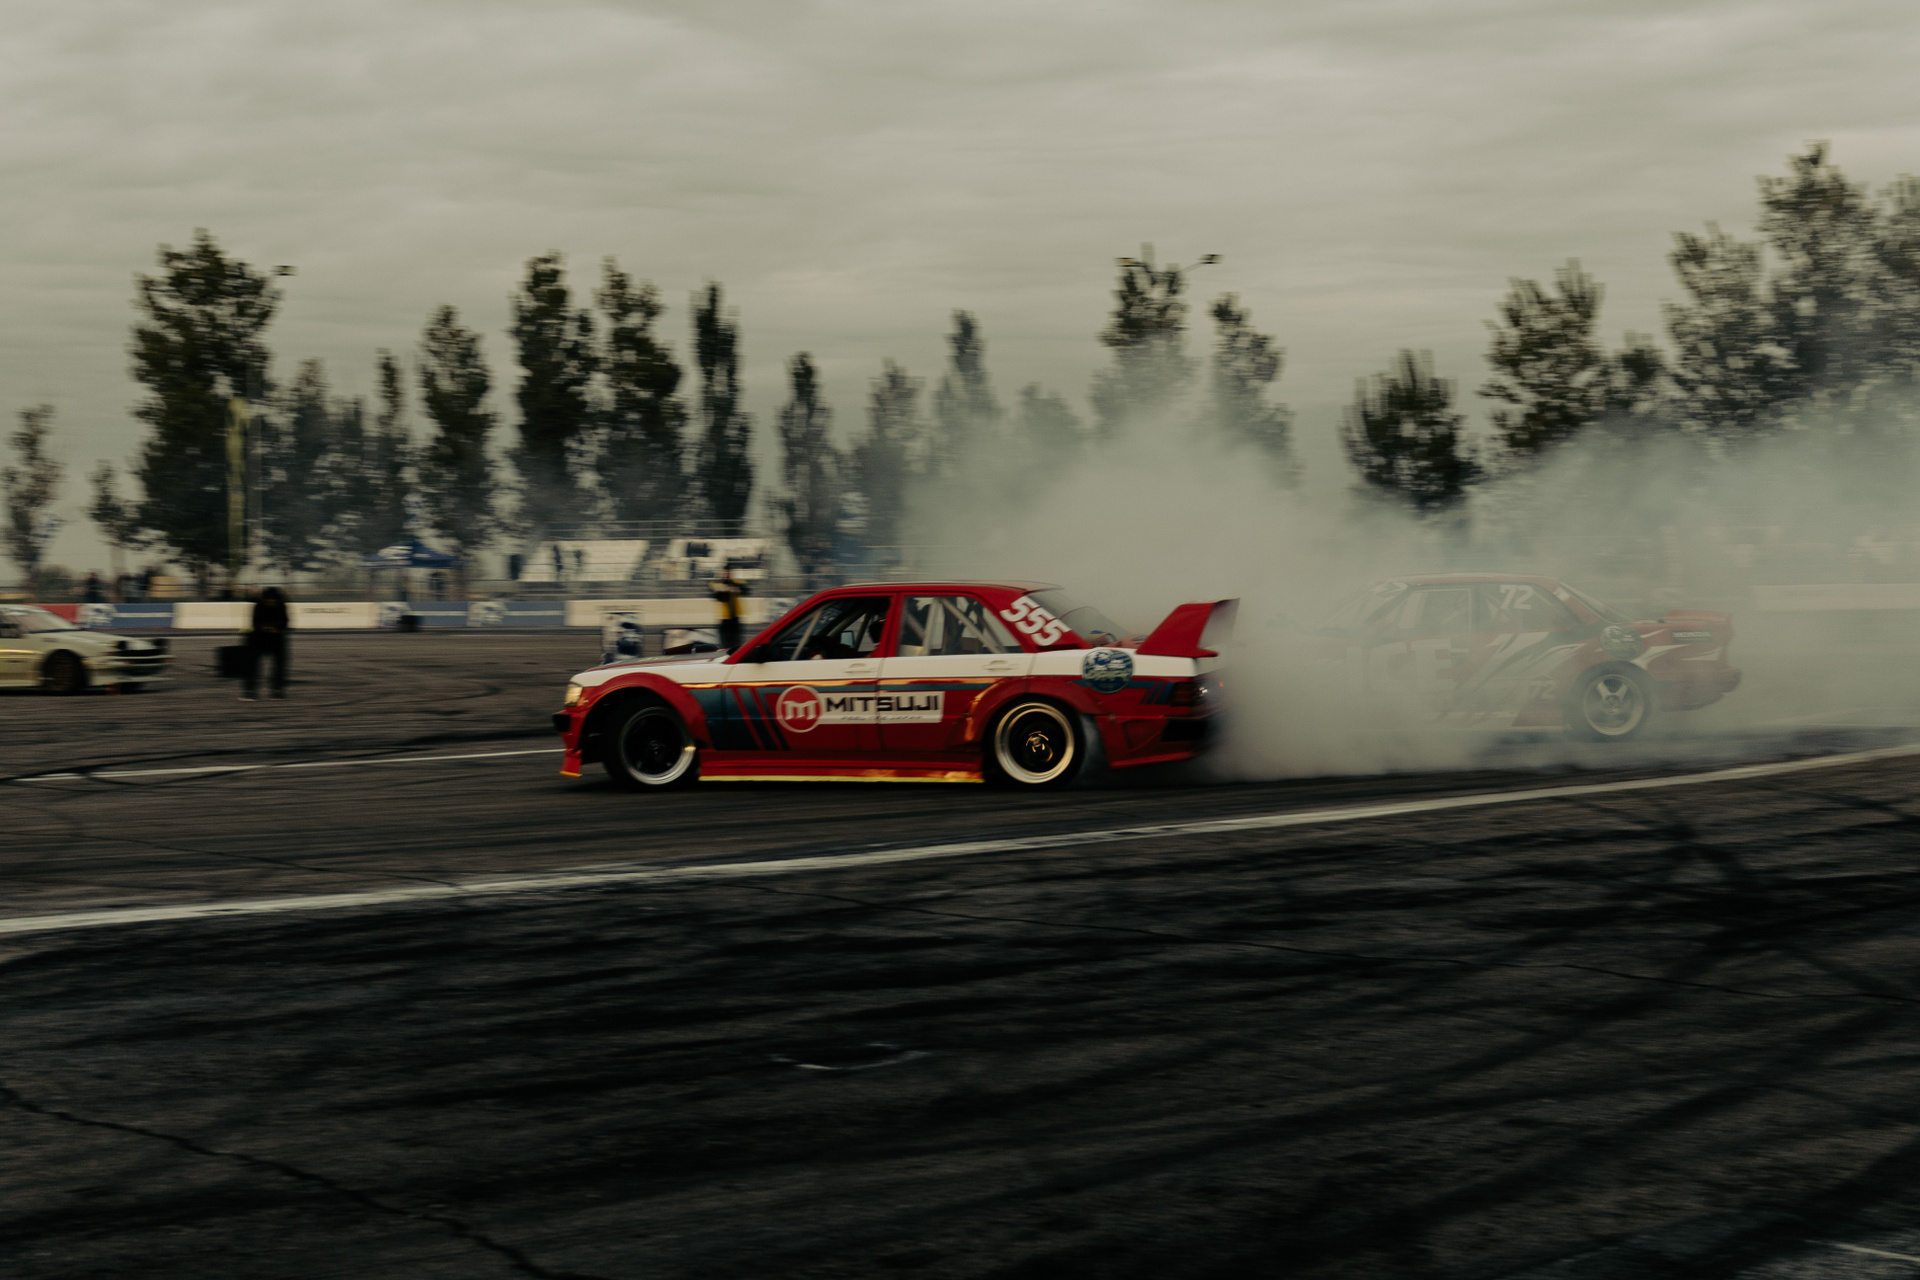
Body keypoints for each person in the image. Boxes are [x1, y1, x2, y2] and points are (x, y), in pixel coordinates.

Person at [242, 586, 292, 701]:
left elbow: (285, 623)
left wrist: (274, 628)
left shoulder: (281, 605)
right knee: (252, 665)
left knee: (280, 665)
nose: (270, 602)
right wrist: (271, 628)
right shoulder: (259, 605)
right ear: (264, 599)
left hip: (276, 639)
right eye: (268, 600)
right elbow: (256, 623)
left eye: (272, 600)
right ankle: (250, 690)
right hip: (258, 638)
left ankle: (277, 690)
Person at [710, 567, 749, 653]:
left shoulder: (736, 583)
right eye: (725, 573)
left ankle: (736, 653)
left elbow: (745, 589)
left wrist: (733, 587)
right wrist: (724, 589)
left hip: (735, 616)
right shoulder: (718, 584)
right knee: (725, 641)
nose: (727, 575)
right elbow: (717, 596)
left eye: (729, 573)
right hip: (724, 617)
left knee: (736, 640)